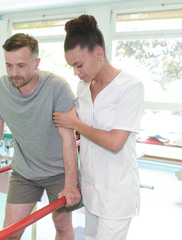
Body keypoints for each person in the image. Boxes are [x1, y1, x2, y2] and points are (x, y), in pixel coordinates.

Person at [0, 33, 83, 240]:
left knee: (62, 227)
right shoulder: (0, 88)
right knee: (9, 232)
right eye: (9, 65)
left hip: (59, 171)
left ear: (36, 62)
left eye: (21, 65)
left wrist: (70, 184)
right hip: (24, 172)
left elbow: (68, 139)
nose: (14, 73)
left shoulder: (57, 87)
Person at [52, 15, 144, 240]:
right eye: (72, 66)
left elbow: (115, 142)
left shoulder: (130, 87)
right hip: (92, 190)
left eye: (79, 65)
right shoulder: (83, 87)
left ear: (99, 53)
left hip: (117, 193)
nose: (76, 72)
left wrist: (75, 124)